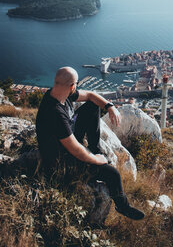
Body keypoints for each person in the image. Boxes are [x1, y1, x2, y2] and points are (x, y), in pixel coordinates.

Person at [36, 66, 144, 220]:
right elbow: (75, 150)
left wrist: (109, 106)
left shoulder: (58, 94)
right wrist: (96, 159)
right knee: (113, 175)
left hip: (68, 138)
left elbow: (91, 95)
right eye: (77, 84)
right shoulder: (54, 113)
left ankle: (95, 146)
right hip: (63, 161)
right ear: (73, 86)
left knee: (93, 105)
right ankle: (123, 206)